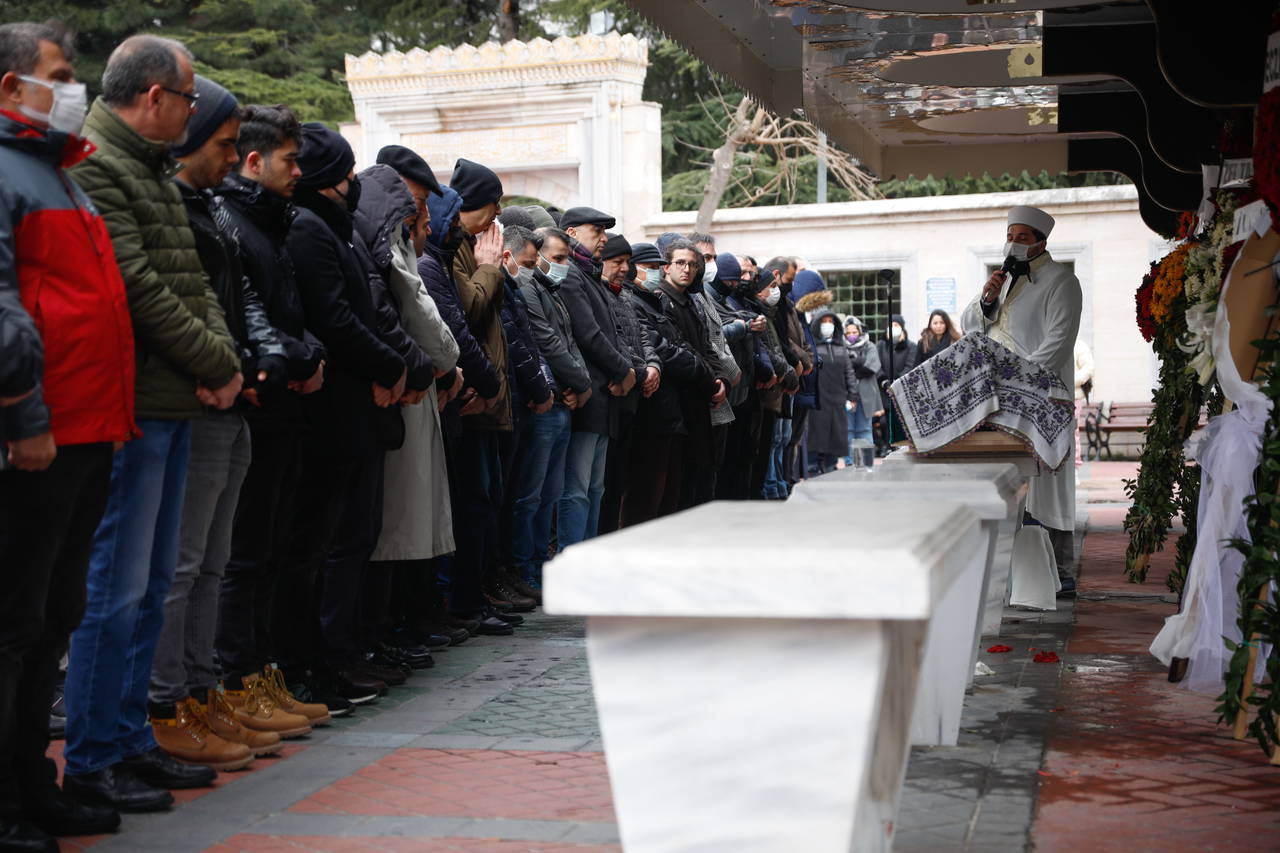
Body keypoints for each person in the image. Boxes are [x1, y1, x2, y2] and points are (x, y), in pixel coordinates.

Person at [64, 34, 243, 814]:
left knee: (145, 588)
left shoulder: (151, 168)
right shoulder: (99, 165)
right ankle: (95, 750)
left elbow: (194, 282)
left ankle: (130, 737)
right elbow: (136, 285)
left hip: (177, 400)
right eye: (190, 96)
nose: (195, 111)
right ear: (155, 97)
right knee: (118, 586)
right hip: (137, 403)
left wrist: (221, 358)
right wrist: (216, 363)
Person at [0, 21, 135, 847]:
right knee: (15, 625)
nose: (73, 86)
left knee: (53, 616)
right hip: (39, 435)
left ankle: (32, 782)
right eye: (59, 73)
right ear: (12, 88)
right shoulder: (11, 175)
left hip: (87, 430)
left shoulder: (61, 174)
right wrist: (26, 414)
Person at [150, 76, 304, 774]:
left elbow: (239, 299)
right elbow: (173, 304)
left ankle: (199, 689)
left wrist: (262, 352)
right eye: (221, 141)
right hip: (197, 398)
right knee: (183, 567)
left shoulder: (210, 209)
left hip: (231, 395)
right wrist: (229, 364)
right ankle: (169, 700)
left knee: (211, 562)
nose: (229, 153)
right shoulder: (178, 204)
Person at [279, 123, 407, 704]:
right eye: (345, 176)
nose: (352, 185)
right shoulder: (309, 229)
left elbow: (368, 310)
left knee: (351, 536)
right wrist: (392, 365)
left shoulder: (340, 228)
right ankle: (317, 658)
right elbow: (334, 318)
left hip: (358, 407)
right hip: (334, 409)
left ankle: (337, 652)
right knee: (321, 544)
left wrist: (393, 363)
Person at [213, 104, 333, 712]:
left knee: (271, 548)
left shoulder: (273, 219)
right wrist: (296, 357)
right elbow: (245, 310)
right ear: (253, 161)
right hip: (261, 402)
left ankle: (262, 679)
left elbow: (286, 309)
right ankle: (238, 685)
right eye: (290, 161)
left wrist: (306, 351)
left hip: (286, 401)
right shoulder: (230, 218)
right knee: (243, 554)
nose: (298, 172)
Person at [961, 204, 1082, 591]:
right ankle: (1011, 572)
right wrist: (986, 298)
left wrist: (1019, 380)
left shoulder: (1062, 281)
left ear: (1041, 242)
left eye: (1022, 238)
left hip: (1043, 398)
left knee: (1047, 485)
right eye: (1010, 236)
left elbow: (1058, 343)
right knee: (1008, 483)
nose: (1013, 243)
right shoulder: (1005, 279)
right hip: (1002, 401)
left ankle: (1057, 571)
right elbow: (971, 326)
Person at [445, 158, 515, 627]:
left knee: (488, 502)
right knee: (471, 505)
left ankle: (479, 594)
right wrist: (490, 268)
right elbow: (468, 309)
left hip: (488, 398)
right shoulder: (454, 248)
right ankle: (463, 602)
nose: (494, 220)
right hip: (467, 398)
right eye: (489, 208)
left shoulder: (476, 246)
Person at [513, 224, 591, 586]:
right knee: (531, 496)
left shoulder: (552, 290)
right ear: (538, 255)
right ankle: (525, 569)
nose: (563, 265)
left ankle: (540, 567)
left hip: (564, 402)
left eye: (567, 259)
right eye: (557, 258)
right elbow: (546, 344)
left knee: (550, 495)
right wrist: (580, 383)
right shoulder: (529, 286)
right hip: (546, 404)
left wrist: (581, 386)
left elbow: (570, 343)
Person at [623, 242, 717, 524]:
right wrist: (705, 376)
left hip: (674, 411)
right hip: (655, 411)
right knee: (647, 494)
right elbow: (665, 350)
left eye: (657, 268)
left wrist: (713, 375)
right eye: (650, 268)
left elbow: (685, 345)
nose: (656, 273)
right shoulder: (637, 301)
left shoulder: (658, 301)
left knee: (669, 492)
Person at [556, 206, 635, 546]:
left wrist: (626, 370)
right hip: (589, 395)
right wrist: (624, 370)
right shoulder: (572, 273)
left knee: (594, 487)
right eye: (597, 230)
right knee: (577, 489)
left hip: (605, 397)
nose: (604, 238)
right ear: (571, 232)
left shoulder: (588, 274)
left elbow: (610, 334)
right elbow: (588, 334)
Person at [657, 239, 730, 508]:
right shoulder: (663, 301)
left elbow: (709, 346)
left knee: (700, 475)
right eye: (680, 263)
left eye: (692, 264)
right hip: (680, 400)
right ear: (667, 267)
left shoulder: (692, 301)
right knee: (678, 482)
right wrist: (712, 382)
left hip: (702, 398)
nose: (687, 269)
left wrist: (721, 379)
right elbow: (680, 348)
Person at [596, 232, 657, 534]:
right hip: (612, 396)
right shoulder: (599, 294)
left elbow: (642, 337)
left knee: (620, 479)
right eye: (617, 262)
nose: (624, 268)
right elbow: (613, 340)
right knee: (603, 484)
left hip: (633, 397)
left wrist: (653, 366)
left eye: (627, 263)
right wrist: (638, 371)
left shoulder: (627, 296)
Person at [807, 308, 859, 473]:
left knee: (836, 433)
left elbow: (849, 373)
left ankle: (831, 464)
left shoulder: (840, 347)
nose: (827, 325)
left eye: (830, 322)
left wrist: (852, 395)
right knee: (817, 433)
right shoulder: (812, 346)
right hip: (819, 398)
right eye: (824, 322)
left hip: (838, 398)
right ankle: (814, 465)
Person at [876, 313, 917, 454]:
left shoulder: (911, 346)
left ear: (902, 328)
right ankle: (886, 446)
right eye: (890, 325)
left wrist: (897, 382)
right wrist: (884, 381)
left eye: (896, 325)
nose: (893, 328)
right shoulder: (881, 346)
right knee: (884, 421)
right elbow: (877, 365)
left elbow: (910, 366)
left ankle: (901, 444)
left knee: (900, 419)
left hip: (901, 390)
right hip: (884, 391)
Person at [843, 317, 882, 464]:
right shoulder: (841, 346)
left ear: (860, 331)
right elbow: (841, 366)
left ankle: (866, 461)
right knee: (849, 430)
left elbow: (872, 366)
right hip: (847, 394)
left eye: (855, 331)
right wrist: (858, 364)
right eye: (849, 332)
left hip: (866, 394)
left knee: (864, 429)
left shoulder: (870, 345)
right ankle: (850, 461)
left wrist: (852, 368)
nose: (852, 334)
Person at [1073, 338, 1094, 468]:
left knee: (1072, 431)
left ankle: (1074, 466)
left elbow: (1088, 367)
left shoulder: (1079, 344)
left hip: (1074, 396)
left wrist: (1071, 381)